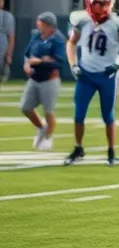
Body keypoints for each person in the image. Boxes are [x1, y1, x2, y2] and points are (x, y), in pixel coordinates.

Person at [64, 0, 119, 167]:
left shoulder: (118, 23)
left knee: (108, 116)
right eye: (97, 3)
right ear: (90, 2)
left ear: (111, 4)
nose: (101, 7)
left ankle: (111, 150)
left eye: (104, 3)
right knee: (78, 115)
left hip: (107, 76)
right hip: (86, 74)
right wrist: (73, 65)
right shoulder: (81, 20)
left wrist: (117, 65)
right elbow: (71, 43)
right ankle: (78, 147)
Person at [22, 12, 66, 151]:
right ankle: (41, 128)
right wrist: (27, 64)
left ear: (48, 24)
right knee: (25, 107)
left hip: (49, 79)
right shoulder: (36, 35)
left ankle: (48, 137)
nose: (37, 24)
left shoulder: (57, 39)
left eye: (40, 22)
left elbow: (59, 61)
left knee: (48, 110)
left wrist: (40, 61)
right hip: (34, 78)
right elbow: (27, 54)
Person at [0, 0, 14, 87]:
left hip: (2, 39)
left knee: (3, 62)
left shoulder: (7, 16)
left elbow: (11, 36)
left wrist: (9, 54)